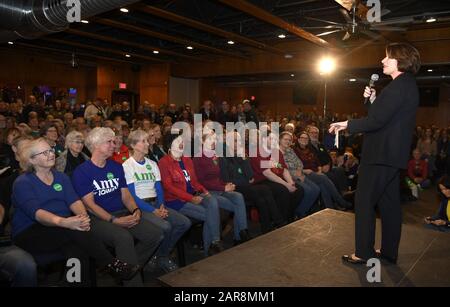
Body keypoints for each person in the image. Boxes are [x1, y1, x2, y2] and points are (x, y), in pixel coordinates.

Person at [329, 42, 421, 264]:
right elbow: (383, 118)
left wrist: (347, 124)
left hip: (381, 155)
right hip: (391, 156)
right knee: (389, 204)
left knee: (363, 202)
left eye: (387, 57)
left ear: (400, 59)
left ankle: (363, 253)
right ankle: (388, 252)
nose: (382, 60)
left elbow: (376, 121)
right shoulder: (405, 85)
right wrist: (372, 101)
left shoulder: (398, 86)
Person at [11, 138, 141, 285]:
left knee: (77, 248)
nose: (51, 154)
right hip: (31, 231)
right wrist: (64, 222)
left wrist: (83, 217)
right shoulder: (23, 182)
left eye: (51, 150)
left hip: (62, 229)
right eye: (44, 152)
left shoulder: (61, 177)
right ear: (32, 160)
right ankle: (111, 264)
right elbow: (37, 213)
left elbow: (75, 201)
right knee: (75, 232)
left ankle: (76, 283)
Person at [72, 128, 164, 286]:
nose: (114, 145)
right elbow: (91, 205)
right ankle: (132, 280)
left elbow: (126, 195)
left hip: (121, 212)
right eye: (109, 141)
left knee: (156, 234)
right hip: (97, 219)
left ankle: (124, 269)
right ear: (95, 145)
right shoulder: (82, 172)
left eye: (114, 141)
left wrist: (135, 210)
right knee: (123, 237)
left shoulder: (116, 167)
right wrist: (114, 220)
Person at [123, 130, 191, 272]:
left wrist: (161, 206)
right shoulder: (127, 166)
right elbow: (132, 196)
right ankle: (160, 257)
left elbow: (159, 188)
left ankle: (160, 255)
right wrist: (153, 211)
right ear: (134, 145)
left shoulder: (152, 164)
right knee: (165, 226)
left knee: (184, 222)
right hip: (140, 206)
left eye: (147, 141)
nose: (148, 143)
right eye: (144, 141)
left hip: (156, 204)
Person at [159, 133, 225, 256]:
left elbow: (194, 181)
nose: (181, 143)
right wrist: (190, 198)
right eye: (177, 140)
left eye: (182, 140)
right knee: (211, 214)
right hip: (176, 201)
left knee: (212, 201)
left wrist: (204, 191)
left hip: (193, 195)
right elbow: (169, 187)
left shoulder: (187, 159)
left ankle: (213, 244)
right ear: (169, 145)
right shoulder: (164, 162)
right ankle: (212, 246)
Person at [220, 132, 284, 233]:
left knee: (263, 195)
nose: (239, 143)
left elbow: (250, 175)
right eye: (236, 141)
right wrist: (246, 181)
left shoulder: (241, 154)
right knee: (262, 190)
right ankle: (278, 222)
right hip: (234, 188)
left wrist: (244, 159)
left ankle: (268, 227)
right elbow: (227, 180)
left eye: (240, 141)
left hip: (246, 185)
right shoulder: (223, 157)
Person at [193, 133, 250, 244]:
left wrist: (227, 184)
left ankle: (242, 232)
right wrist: (223, 187)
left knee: (238, 196)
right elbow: (201, 182)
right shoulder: (198, 158)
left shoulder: (216, 155)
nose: (213, 141)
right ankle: (230, 239)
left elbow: (219, 177)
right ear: (203, 141)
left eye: (215, 138)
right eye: (210, 139)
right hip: (208, 192)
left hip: (219, 189)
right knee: (237, 206)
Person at [250, 131, 303, 223]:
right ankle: (280, 221)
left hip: (276, 179)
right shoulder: (257, 152)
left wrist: (291, 182)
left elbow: (284, 169)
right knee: (283, 190)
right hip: (262, 180)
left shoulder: (276, 151)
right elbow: (267, 173)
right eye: (271, 139)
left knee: (299, 190)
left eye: (275, 139)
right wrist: (286, 185)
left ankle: (288, 217)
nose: (274, 141)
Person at [279, 132, 320, 219]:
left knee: (316, 189)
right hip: (288, 176)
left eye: (289, 140)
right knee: (308, 190)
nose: (288, 141)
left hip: (299, 173)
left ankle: (301, 210)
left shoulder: (290, 150)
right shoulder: (276, 152)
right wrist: (296, 173)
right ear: (280, 140)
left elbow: (299, 162)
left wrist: (299, 170)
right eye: (285, 139)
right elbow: (283, 167)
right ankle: (300, 213)